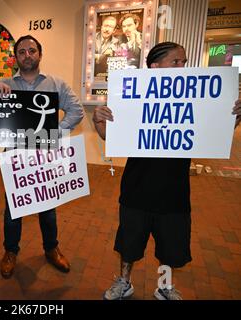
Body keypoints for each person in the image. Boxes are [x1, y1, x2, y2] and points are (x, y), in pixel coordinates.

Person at [93, 42, 241, 300]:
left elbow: (213, 132)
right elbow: (109, 136)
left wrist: (233, 116)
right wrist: (98, 120)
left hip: (174, 191)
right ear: (155, 66)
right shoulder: (134, 98)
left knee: (169, 247)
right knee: (129, 244)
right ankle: (124, 282)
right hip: (136, 189)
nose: (182, 66)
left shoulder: (193, 99)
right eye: (176, 61)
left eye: (184, 62)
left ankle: (164, 286)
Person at [0, 35, 84, 279]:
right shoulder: (4, 82)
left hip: (45, 156)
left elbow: (76, 111)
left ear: (40, 54)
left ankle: (51, 248)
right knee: (13, 209)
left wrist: (54, 132)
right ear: (16, 57)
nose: (27, 55)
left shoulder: (56, 84)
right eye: (22, 51)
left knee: (47, 207)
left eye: (32, 50)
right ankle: (10, 252)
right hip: (15, 156)